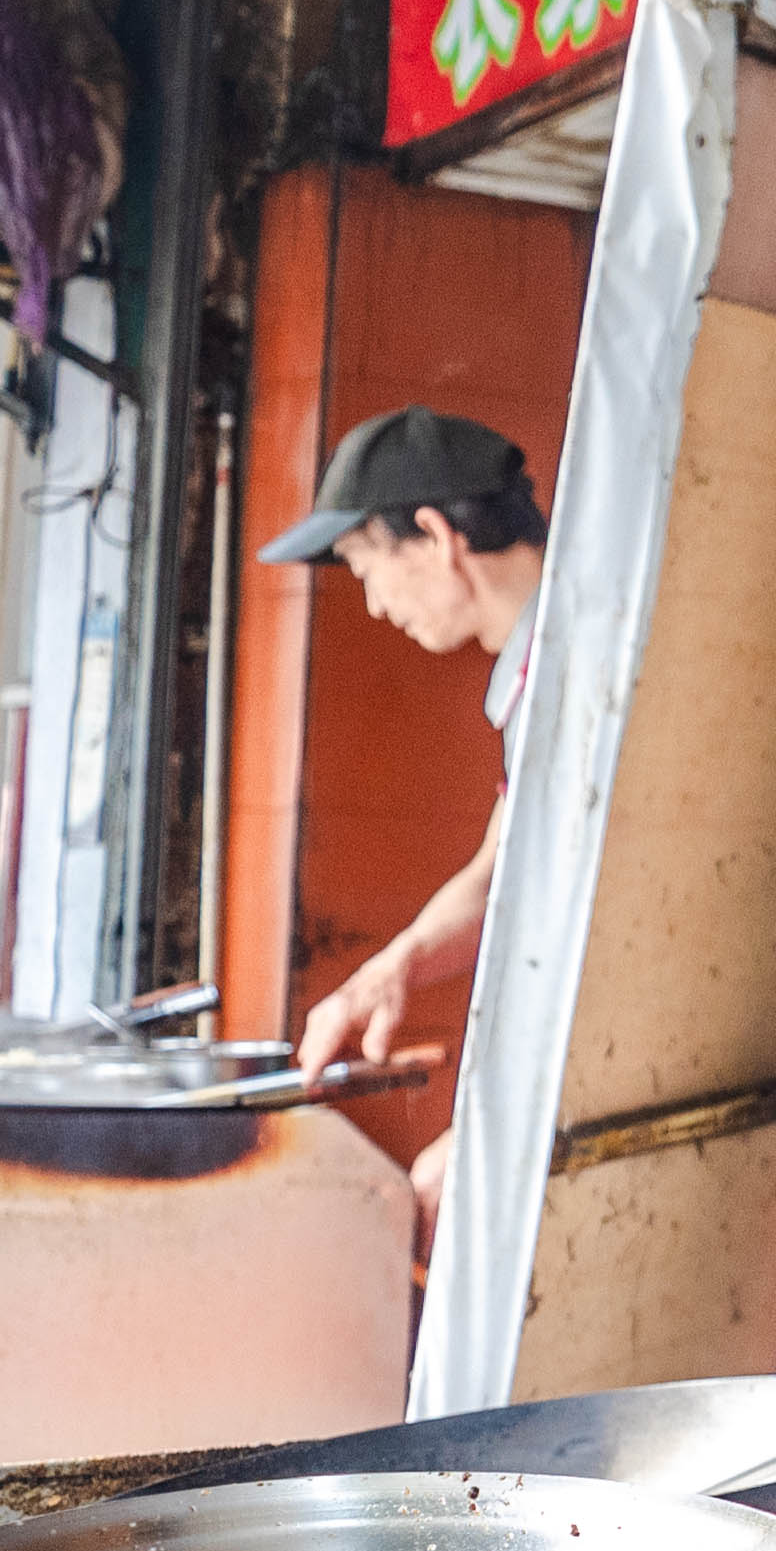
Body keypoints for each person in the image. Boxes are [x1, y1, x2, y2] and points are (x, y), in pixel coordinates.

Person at [258, 405, 549, 1231]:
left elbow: (619, 920)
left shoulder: (583, 663)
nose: (377, 607)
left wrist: (505, 1130)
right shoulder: (533, 671)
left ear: (434, 535)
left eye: (367, 568)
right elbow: (502, 868)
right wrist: (392, 970)